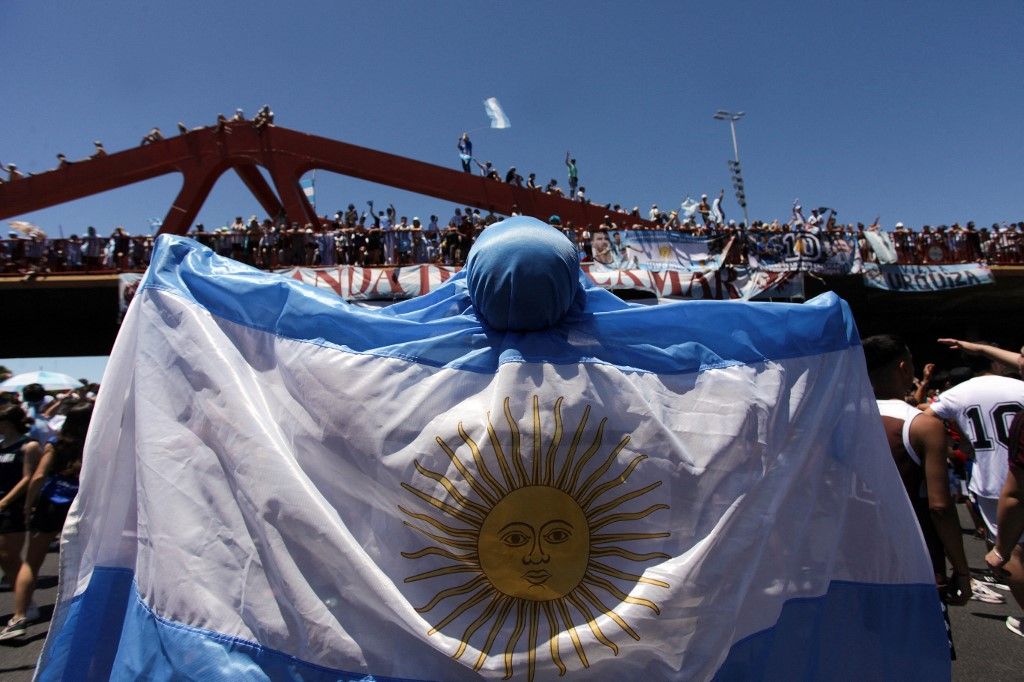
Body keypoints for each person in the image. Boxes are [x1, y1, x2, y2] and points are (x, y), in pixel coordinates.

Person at [863, 336, 972, 606]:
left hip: (858, 557)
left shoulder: (843, 420)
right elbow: (940, 507)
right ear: (904, 368)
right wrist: (961, 568)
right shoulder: (921, 425)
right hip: (915, 557)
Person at [0, 402, 92, 641]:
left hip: (50, 507)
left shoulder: (55, 444)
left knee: (32, 563)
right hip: (82, 506)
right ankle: (84, 614)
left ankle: (19, 617)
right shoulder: (98, 443)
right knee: (86, 563)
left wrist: (29, 505)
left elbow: (38, 476)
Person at [924, 344, 1024, 550]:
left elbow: (924, 417)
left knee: (1007, 548)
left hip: (990, 478)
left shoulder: (958, 392)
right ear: (996, 364)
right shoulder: (1019, 387)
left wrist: (959, 440)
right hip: (1018, 472)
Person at [0, 405, 42, 594]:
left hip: (13, 505)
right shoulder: (1, 445)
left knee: (8, 555)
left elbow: (28, 478)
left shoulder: (28, 446)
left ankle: (25, 600)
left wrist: (5, 501)